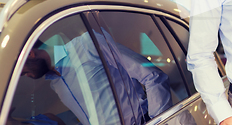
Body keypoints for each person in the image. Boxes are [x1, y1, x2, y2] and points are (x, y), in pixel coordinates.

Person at [20, 30, 172, 125]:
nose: (27, 76)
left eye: (23, 71)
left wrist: (157, 121)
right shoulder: (56, 83)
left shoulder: (87, 45)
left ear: (30, 54)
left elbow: (152, 76)